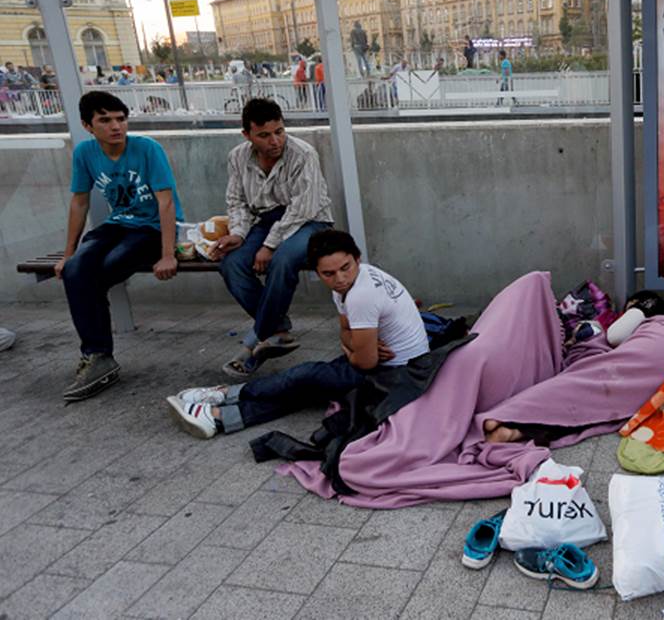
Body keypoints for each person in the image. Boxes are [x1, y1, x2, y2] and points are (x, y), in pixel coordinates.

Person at [166, 229, 430, 438]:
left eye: (346, 267)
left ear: (357, 259)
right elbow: (345, 332)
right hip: (391, 368)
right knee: (305, 387)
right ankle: (217, 417)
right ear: (316, 272)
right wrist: (355, 347)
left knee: (305, 375)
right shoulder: (348, 285)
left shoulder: (361, 294)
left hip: (397, 378)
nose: (339, 278)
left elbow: (366, 362)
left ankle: (227, 394)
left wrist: (352, 352)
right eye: (329, 273)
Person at [55, 91, 184, 401]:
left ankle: (98, 355)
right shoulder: (85, 153)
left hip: (152, 229)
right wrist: (68, 254)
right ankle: (98, 356)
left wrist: (168, 254)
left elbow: (166, 203)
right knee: (75, 270)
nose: (116, 126)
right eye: (105, 120)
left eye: (120, 119)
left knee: (101, 272)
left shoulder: (147, 149)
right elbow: (79, 201)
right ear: (88, 125)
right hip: (117, 224)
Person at [211, 98, 334, 378]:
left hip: (310, 222)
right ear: (247, 135)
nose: (275, 140)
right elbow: (237, 201)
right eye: (264, 135)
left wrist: (269, 245)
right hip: (263, 222)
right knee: (231, 263)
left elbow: (303, 207)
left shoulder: (303, 154)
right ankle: (277, 329)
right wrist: (239, 234)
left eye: (279, 131)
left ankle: (254, 343)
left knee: (283, 259)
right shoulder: (238, 157)